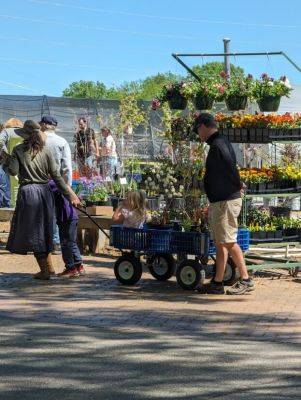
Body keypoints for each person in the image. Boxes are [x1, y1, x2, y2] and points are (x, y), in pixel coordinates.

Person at [2, 120, 80, 280]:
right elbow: (57, 177)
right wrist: (70, 195)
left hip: (28, 194)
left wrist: (5, 161)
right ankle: (49, 269)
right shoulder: (47, 151)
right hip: (45, 194)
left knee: (34, 234)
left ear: (24, 135)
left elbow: (13, 171)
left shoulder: (18, 150)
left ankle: (46, 271)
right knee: (44, 232)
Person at [194, 113, 254, 295]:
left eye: (197, 129)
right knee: (221, 242)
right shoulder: (219, 143)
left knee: (228, 240)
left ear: (204, 126)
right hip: (222, 200)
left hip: (226, 200)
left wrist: (237, 183)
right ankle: (217, 282)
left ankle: (246, 279)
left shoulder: (218, 145)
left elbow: (230, 166)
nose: (198, 134)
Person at [39, 115, 72, 254]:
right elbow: (67, 167)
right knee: (58, 212)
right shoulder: (62, 141)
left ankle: (43, 243)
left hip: (40, 182)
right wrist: (67, 187)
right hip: (57, 182)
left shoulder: (37, 141)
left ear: (44, 125)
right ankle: (56, 242)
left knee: (42, 214)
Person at [49, 181, 84, 278]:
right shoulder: (60, 183)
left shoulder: (52, 183)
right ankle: (79, 266)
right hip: (72, 216)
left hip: (65, 217)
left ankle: (70, 268)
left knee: (65, 243)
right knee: (71, 243)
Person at [0, 118, 24, 207]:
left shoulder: (6, 131)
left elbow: (0, 142)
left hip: (7, 166)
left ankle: (6, 207)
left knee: (5, 187)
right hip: (22, 166)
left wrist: (5, 154)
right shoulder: (24, 133)